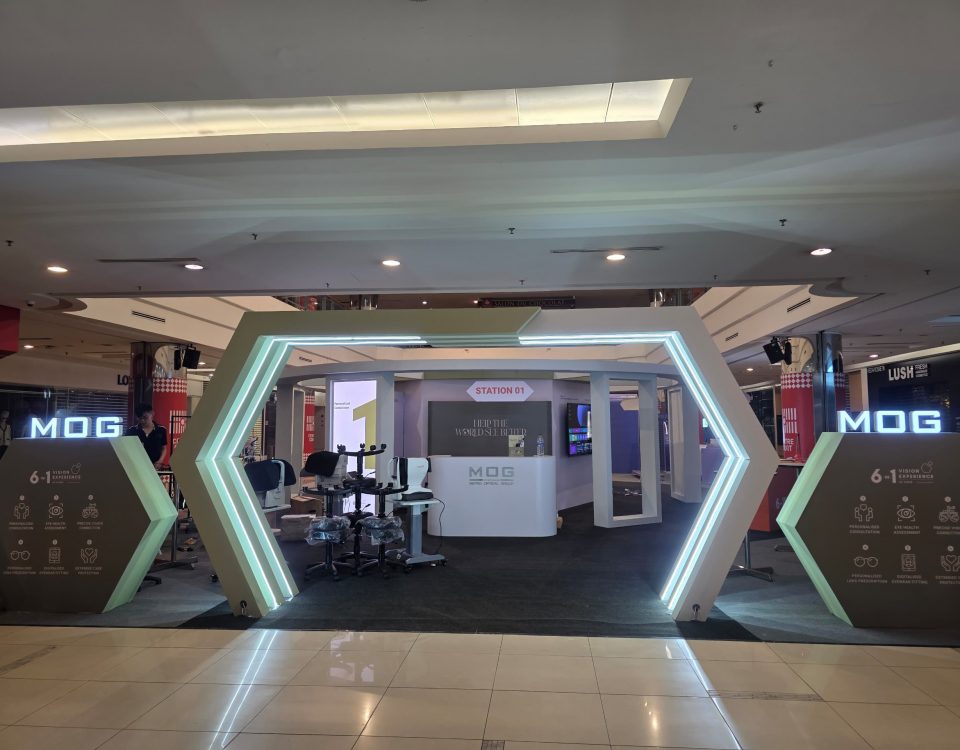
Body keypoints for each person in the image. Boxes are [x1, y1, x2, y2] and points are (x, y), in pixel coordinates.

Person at [125, 403, 168, 469]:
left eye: (145, 417)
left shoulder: (161, 429)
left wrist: (160, 461)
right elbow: (126, 449)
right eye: (140, 418)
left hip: (155, 466)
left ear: (152, 413)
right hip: (136, 466)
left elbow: (164, 448)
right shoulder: (131, 431)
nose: (142, 421)